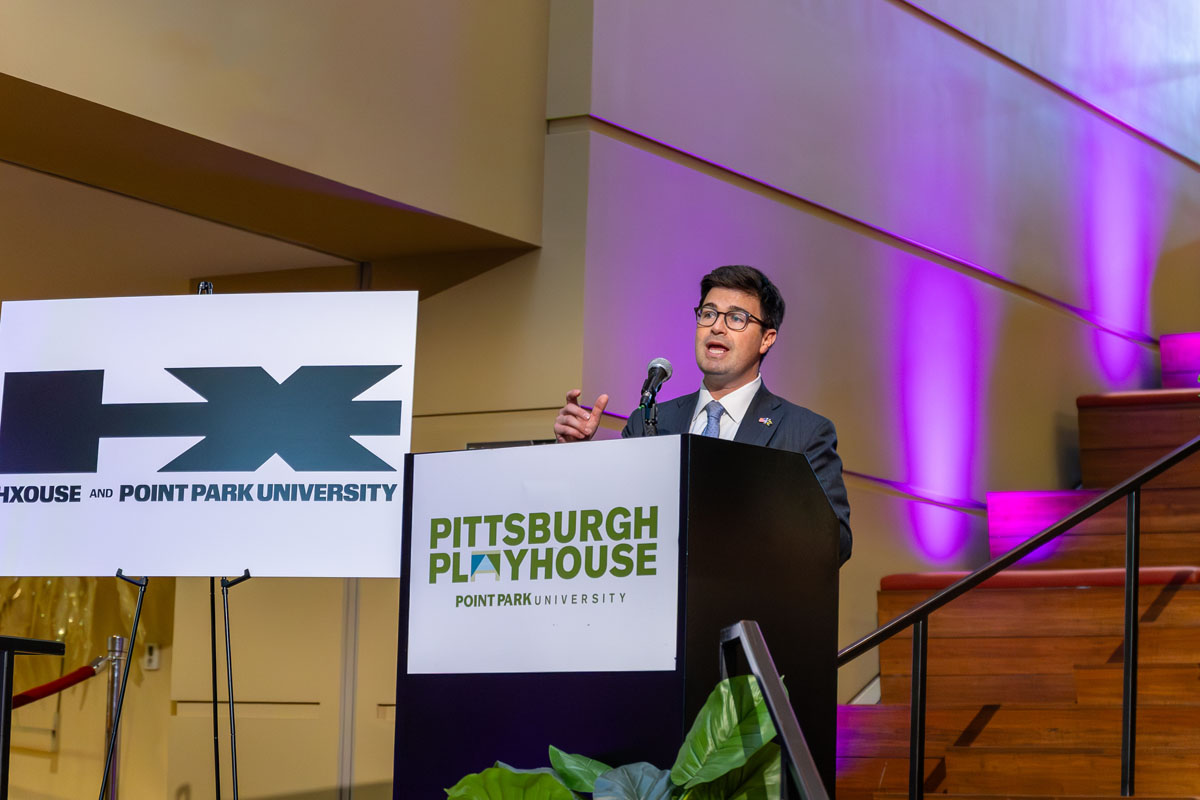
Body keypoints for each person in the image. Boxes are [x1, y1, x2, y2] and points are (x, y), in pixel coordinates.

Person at [554, 265, 852, 565]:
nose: (716, 327)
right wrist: (577, 457)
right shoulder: (649, 423)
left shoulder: (805, 431)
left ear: (766, 339)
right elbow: (609, 524)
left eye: (736, 318)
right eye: (708, 313)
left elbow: (835, 542)